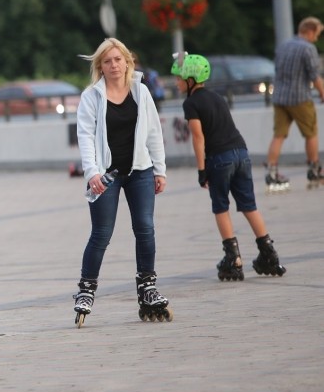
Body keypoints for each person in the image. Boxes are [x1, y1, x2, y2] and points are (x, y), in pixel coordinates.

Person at [73, 37, 171, 328]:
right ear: (100, 66)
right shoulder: (91, 97)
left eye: (118, 59)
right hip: (106, 176)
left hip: (140, 171)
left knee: (145, 228)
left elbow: (154, 133)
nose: (114, 65)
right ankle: (86, 289)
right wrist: (91, 172)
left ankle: (147, 287)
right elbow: (85, 137)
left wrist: (160, 169)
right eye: (107, 61)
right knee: (102, 233)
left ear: (128, 62)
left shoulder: (141, 92)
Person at [173, 53, 286, 282]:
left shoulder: (191, 103)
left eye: (179, 78)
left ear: (191, 79)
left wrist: (201, 169)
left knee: (221, 207)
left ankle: (233, 260)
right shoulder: (217, 97)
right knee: (249, 206)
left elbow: (197, 137)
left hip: (219, 158)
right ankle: (269, 254)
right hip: (241, 154)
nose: (176, 82)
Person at [265, 16, 324, 191]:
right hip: (300, 98)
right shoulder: (308, 48)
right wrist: (322, 93)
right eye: (317, 34)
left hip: (280, 98)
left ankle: (272, 171)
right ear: (310, 31)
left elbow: (276, 70)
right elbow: (314, 75)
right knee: (310, 133)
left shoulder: (283, 46)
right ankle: (314, 170)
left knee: (279, 135)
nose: (317, 38)